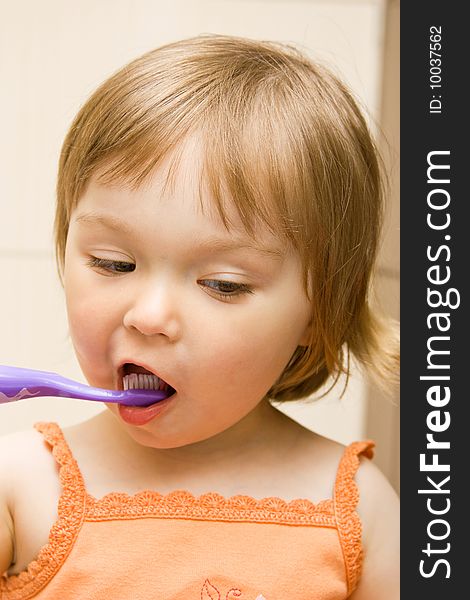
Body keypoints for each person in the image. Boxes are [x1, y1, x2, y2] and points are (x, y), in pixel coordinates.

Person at [0, 34, 399, 599]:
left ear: (320, 310)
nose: (150, 315)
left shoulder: (362, 511)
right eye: (114, 264)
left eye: (222, 284)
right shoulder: (17, 487)